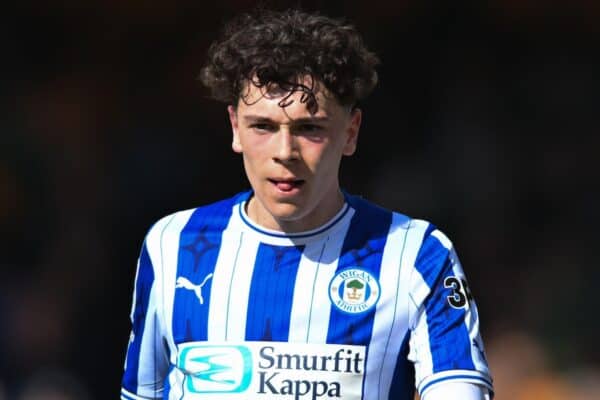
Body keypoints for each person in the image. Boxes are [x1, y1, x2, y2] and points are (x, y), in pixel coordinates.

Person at [120, 8, 493, 400]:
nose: (285, 151)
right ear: (235, 128)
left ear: (350, 133)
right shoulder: (173, 243)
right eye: (263, 126)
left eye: (309, 128)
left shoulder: (416, 254)